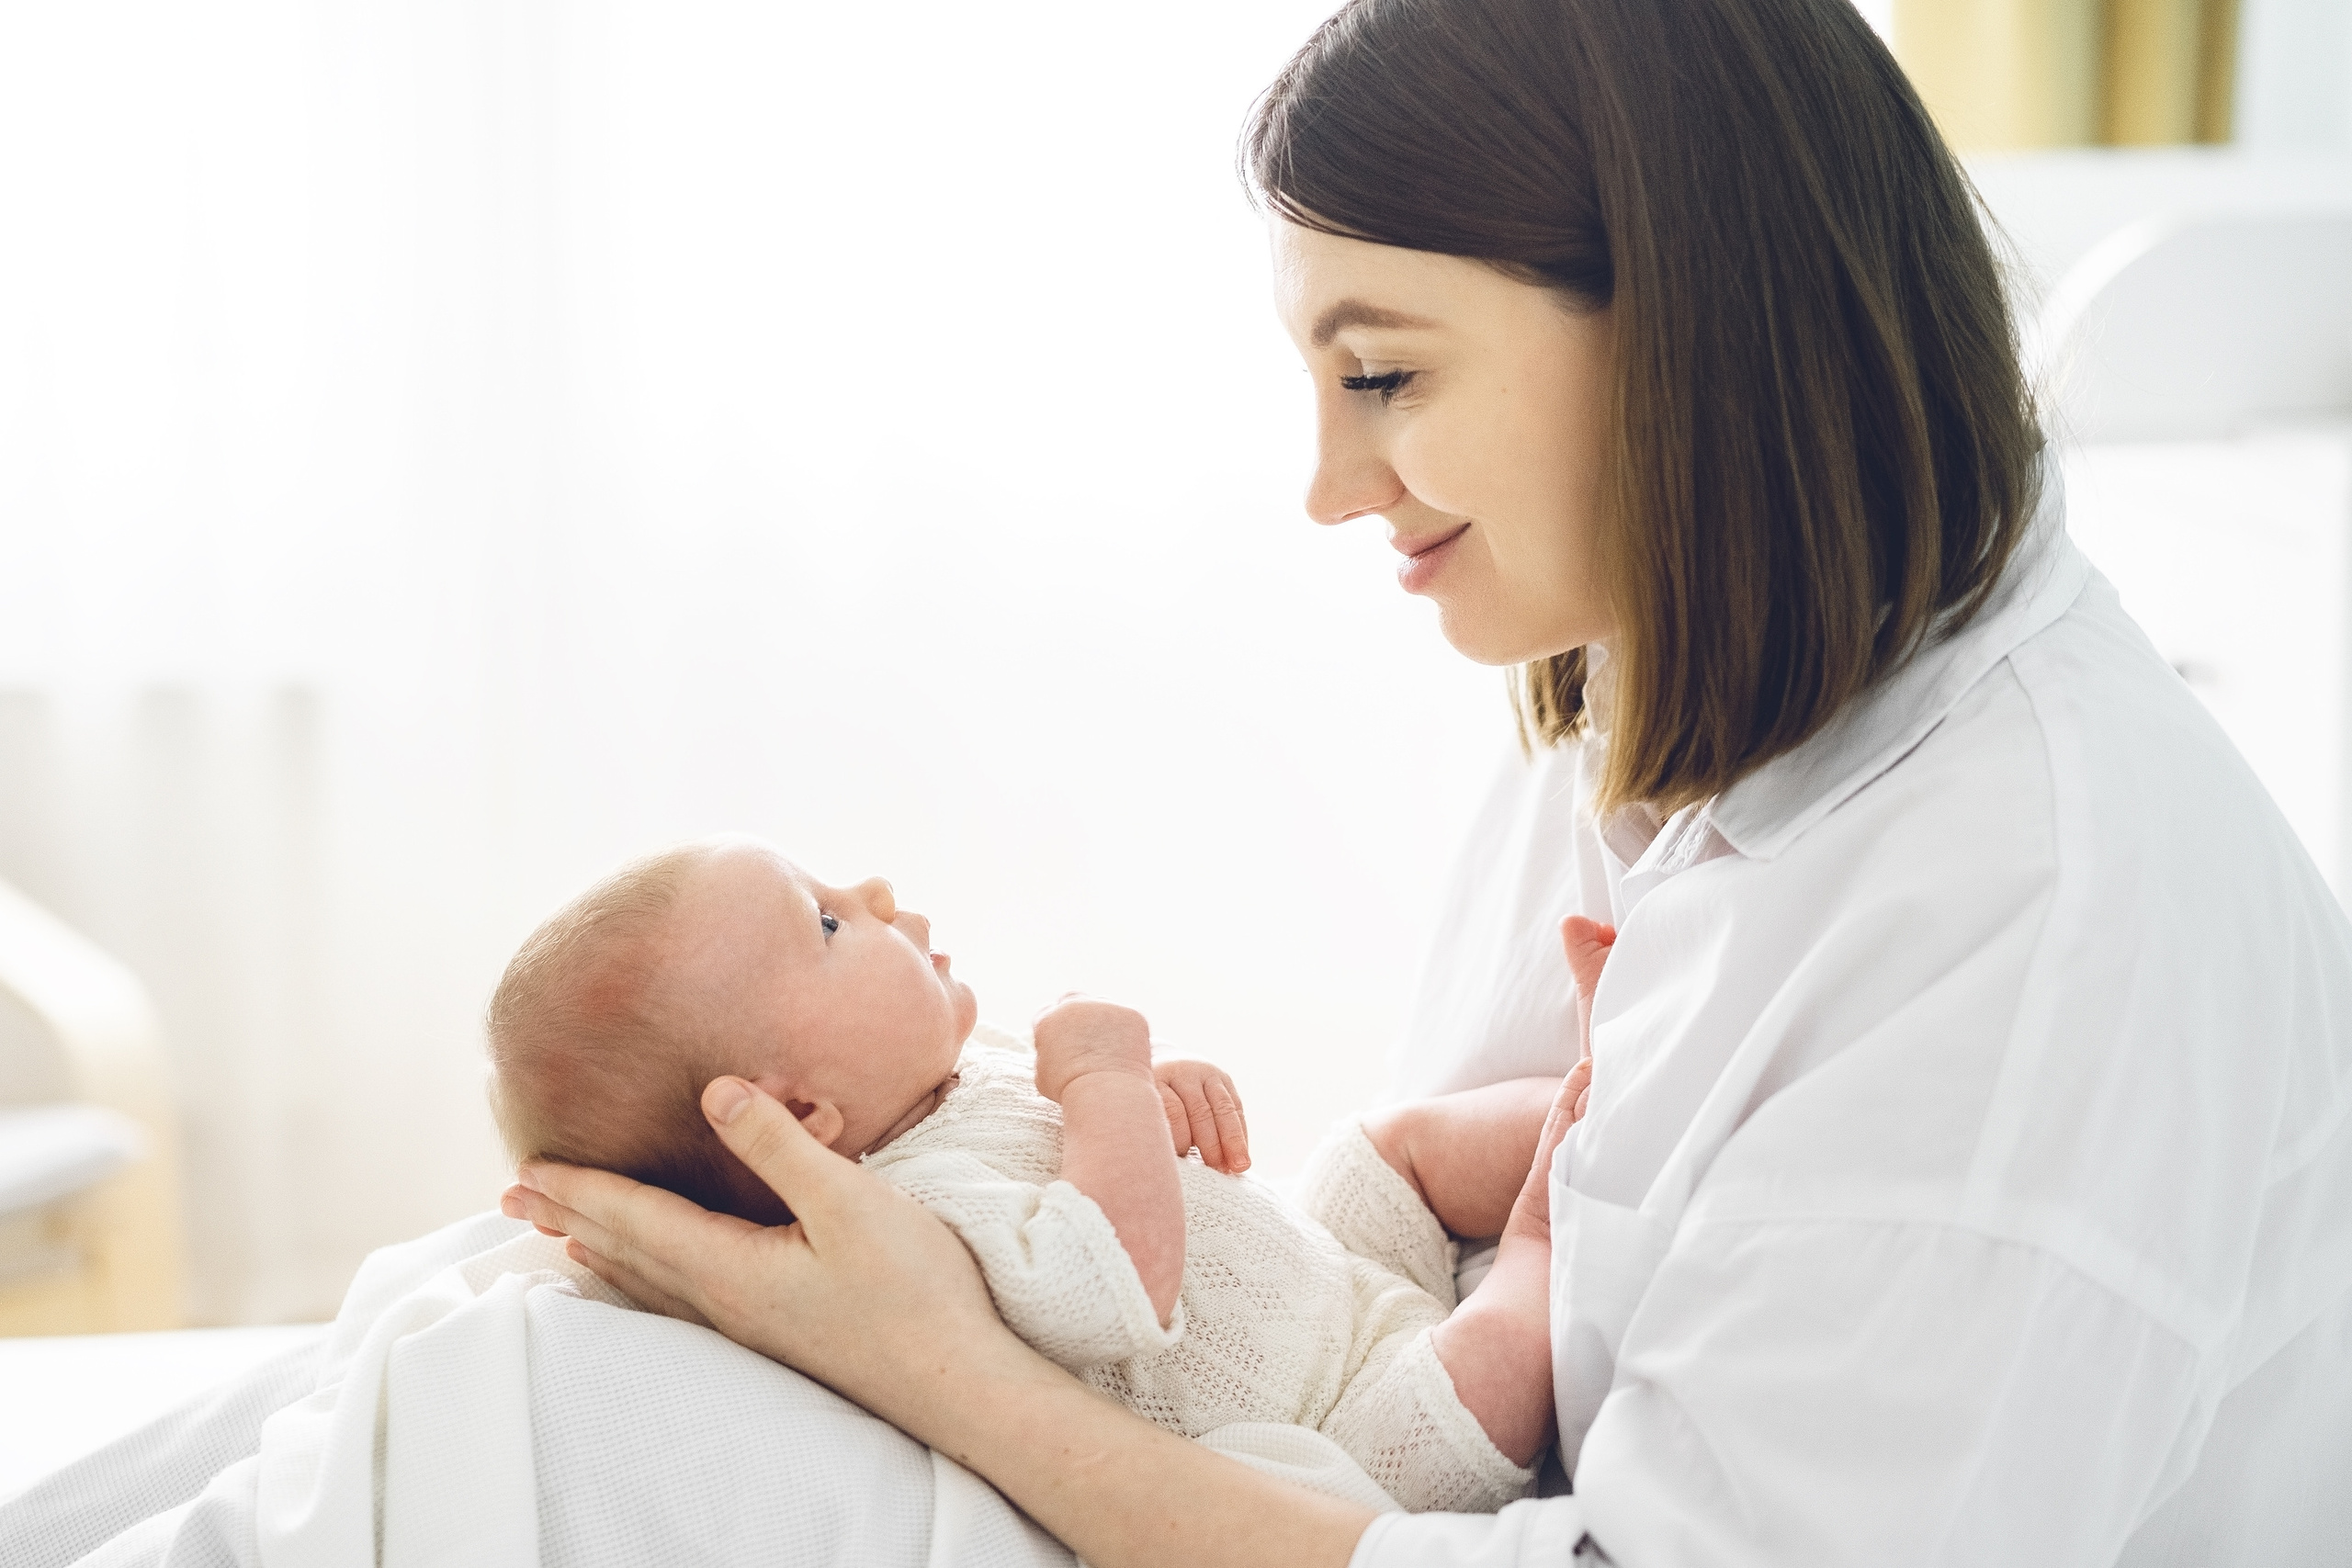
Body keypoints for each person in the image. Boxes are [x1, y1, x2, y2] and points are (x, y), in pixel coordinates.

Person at [503, 0, 2352, 1562]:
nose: (1327, 484)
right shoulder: (1651, 666)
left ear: (1692, 325)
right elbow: (1437, 1262)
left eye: (1381, 373)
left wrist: (938, 1370)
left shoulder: (2035, 919)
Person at [487, 835, 1604, 1511]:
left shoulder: (959, 1077)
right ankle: (1546, 1236)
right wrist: (1108, 1081)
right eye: (826, 922)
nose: (874, 891)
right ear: (798, 1116)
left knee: (1387, 1143)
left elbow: (1137, 1168)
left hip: (1333, 1282)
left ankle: (1617, 1079)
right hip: (1339, 1417)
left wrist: (1165, 1095)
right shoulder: (912, 1207)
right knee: (1491, 1363)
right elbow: (1114, 1278)